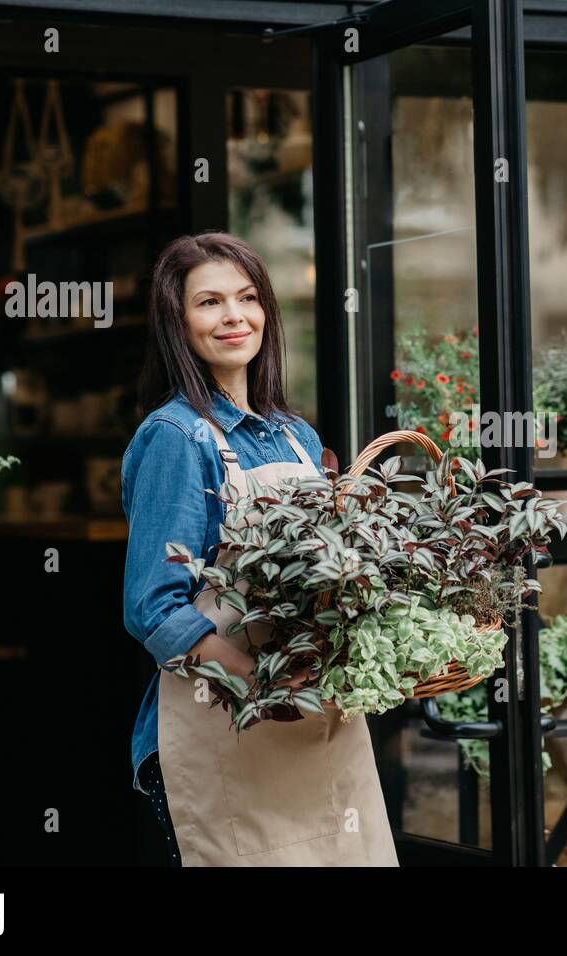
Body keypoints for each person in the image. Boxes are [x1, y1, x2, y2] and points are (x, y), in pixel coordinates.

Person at [121, 232, 398, 866]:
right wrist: (265, 688)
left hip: (317, 730)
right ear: (176, 321)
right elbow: (153, 608)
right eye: (209, 303)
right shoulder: (175, 437)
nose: (233, 317)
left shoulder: (297, 437)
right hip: (226, 722)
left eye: (247, 298)